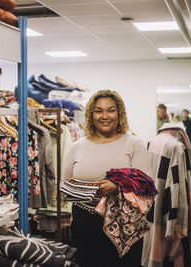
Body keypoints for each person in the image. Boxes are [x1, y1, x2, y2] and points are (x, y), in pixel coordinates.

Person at [63, 90, 152, 267]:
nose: (105, 116)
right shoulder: (77, 147)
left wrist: (117, 186)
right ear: (91, 114)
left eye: (111, 110)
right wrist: (85, 190)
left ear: (119, 113)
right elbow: (65, 185)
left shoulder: (133, 144)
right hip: (85, 222)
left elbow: (148, 185)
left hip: (125, 224)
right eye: (98, 110)